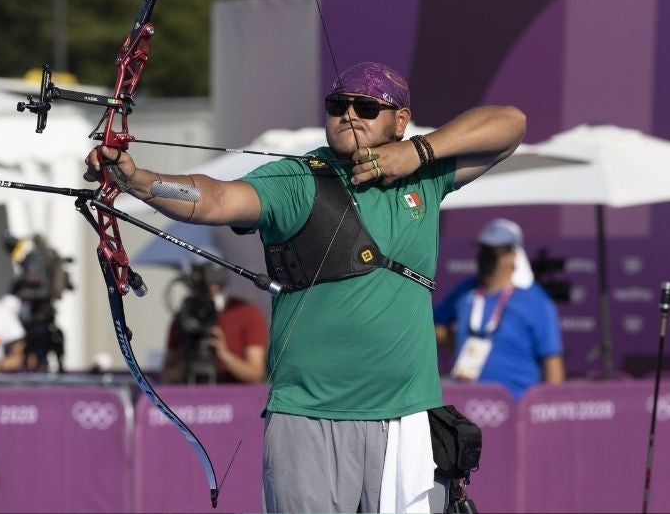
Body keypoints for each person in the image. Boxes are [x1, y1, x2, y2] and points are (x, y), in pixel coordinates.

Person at [85, 61, 525, 513]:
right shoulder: (298, 180)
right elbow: (214, 199)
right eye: (339, 105)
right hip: (309, 415)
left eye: (367, 106)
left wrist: (418, 152)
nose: (349, 114)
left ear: (400, 120)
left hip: (406, 416)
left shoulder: (424, 177)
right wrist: (138, 181)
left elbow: (511, 124)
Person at [434, 218, 564, 400]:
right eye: (483, 250)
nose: (485, 257)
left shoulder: (536, 301)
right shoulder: (465, 291)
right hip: (465, 403)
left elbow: (552, 363)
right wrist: (460, 343)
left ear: (513, 255)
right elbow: (434, 327)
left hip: (515, 407)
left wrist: (551, 408)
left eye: (493, 252)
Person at [161, 264, 268, 385]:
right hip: (189, 398)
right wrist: (186, 356)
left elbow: (256, 375)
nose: (211, 290)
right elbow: (167, 376)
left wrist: (224, 354)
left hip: (234, 399)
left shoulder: (246, 312)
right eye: (205, 286)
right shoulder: (186, 318)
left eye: (217, 285)